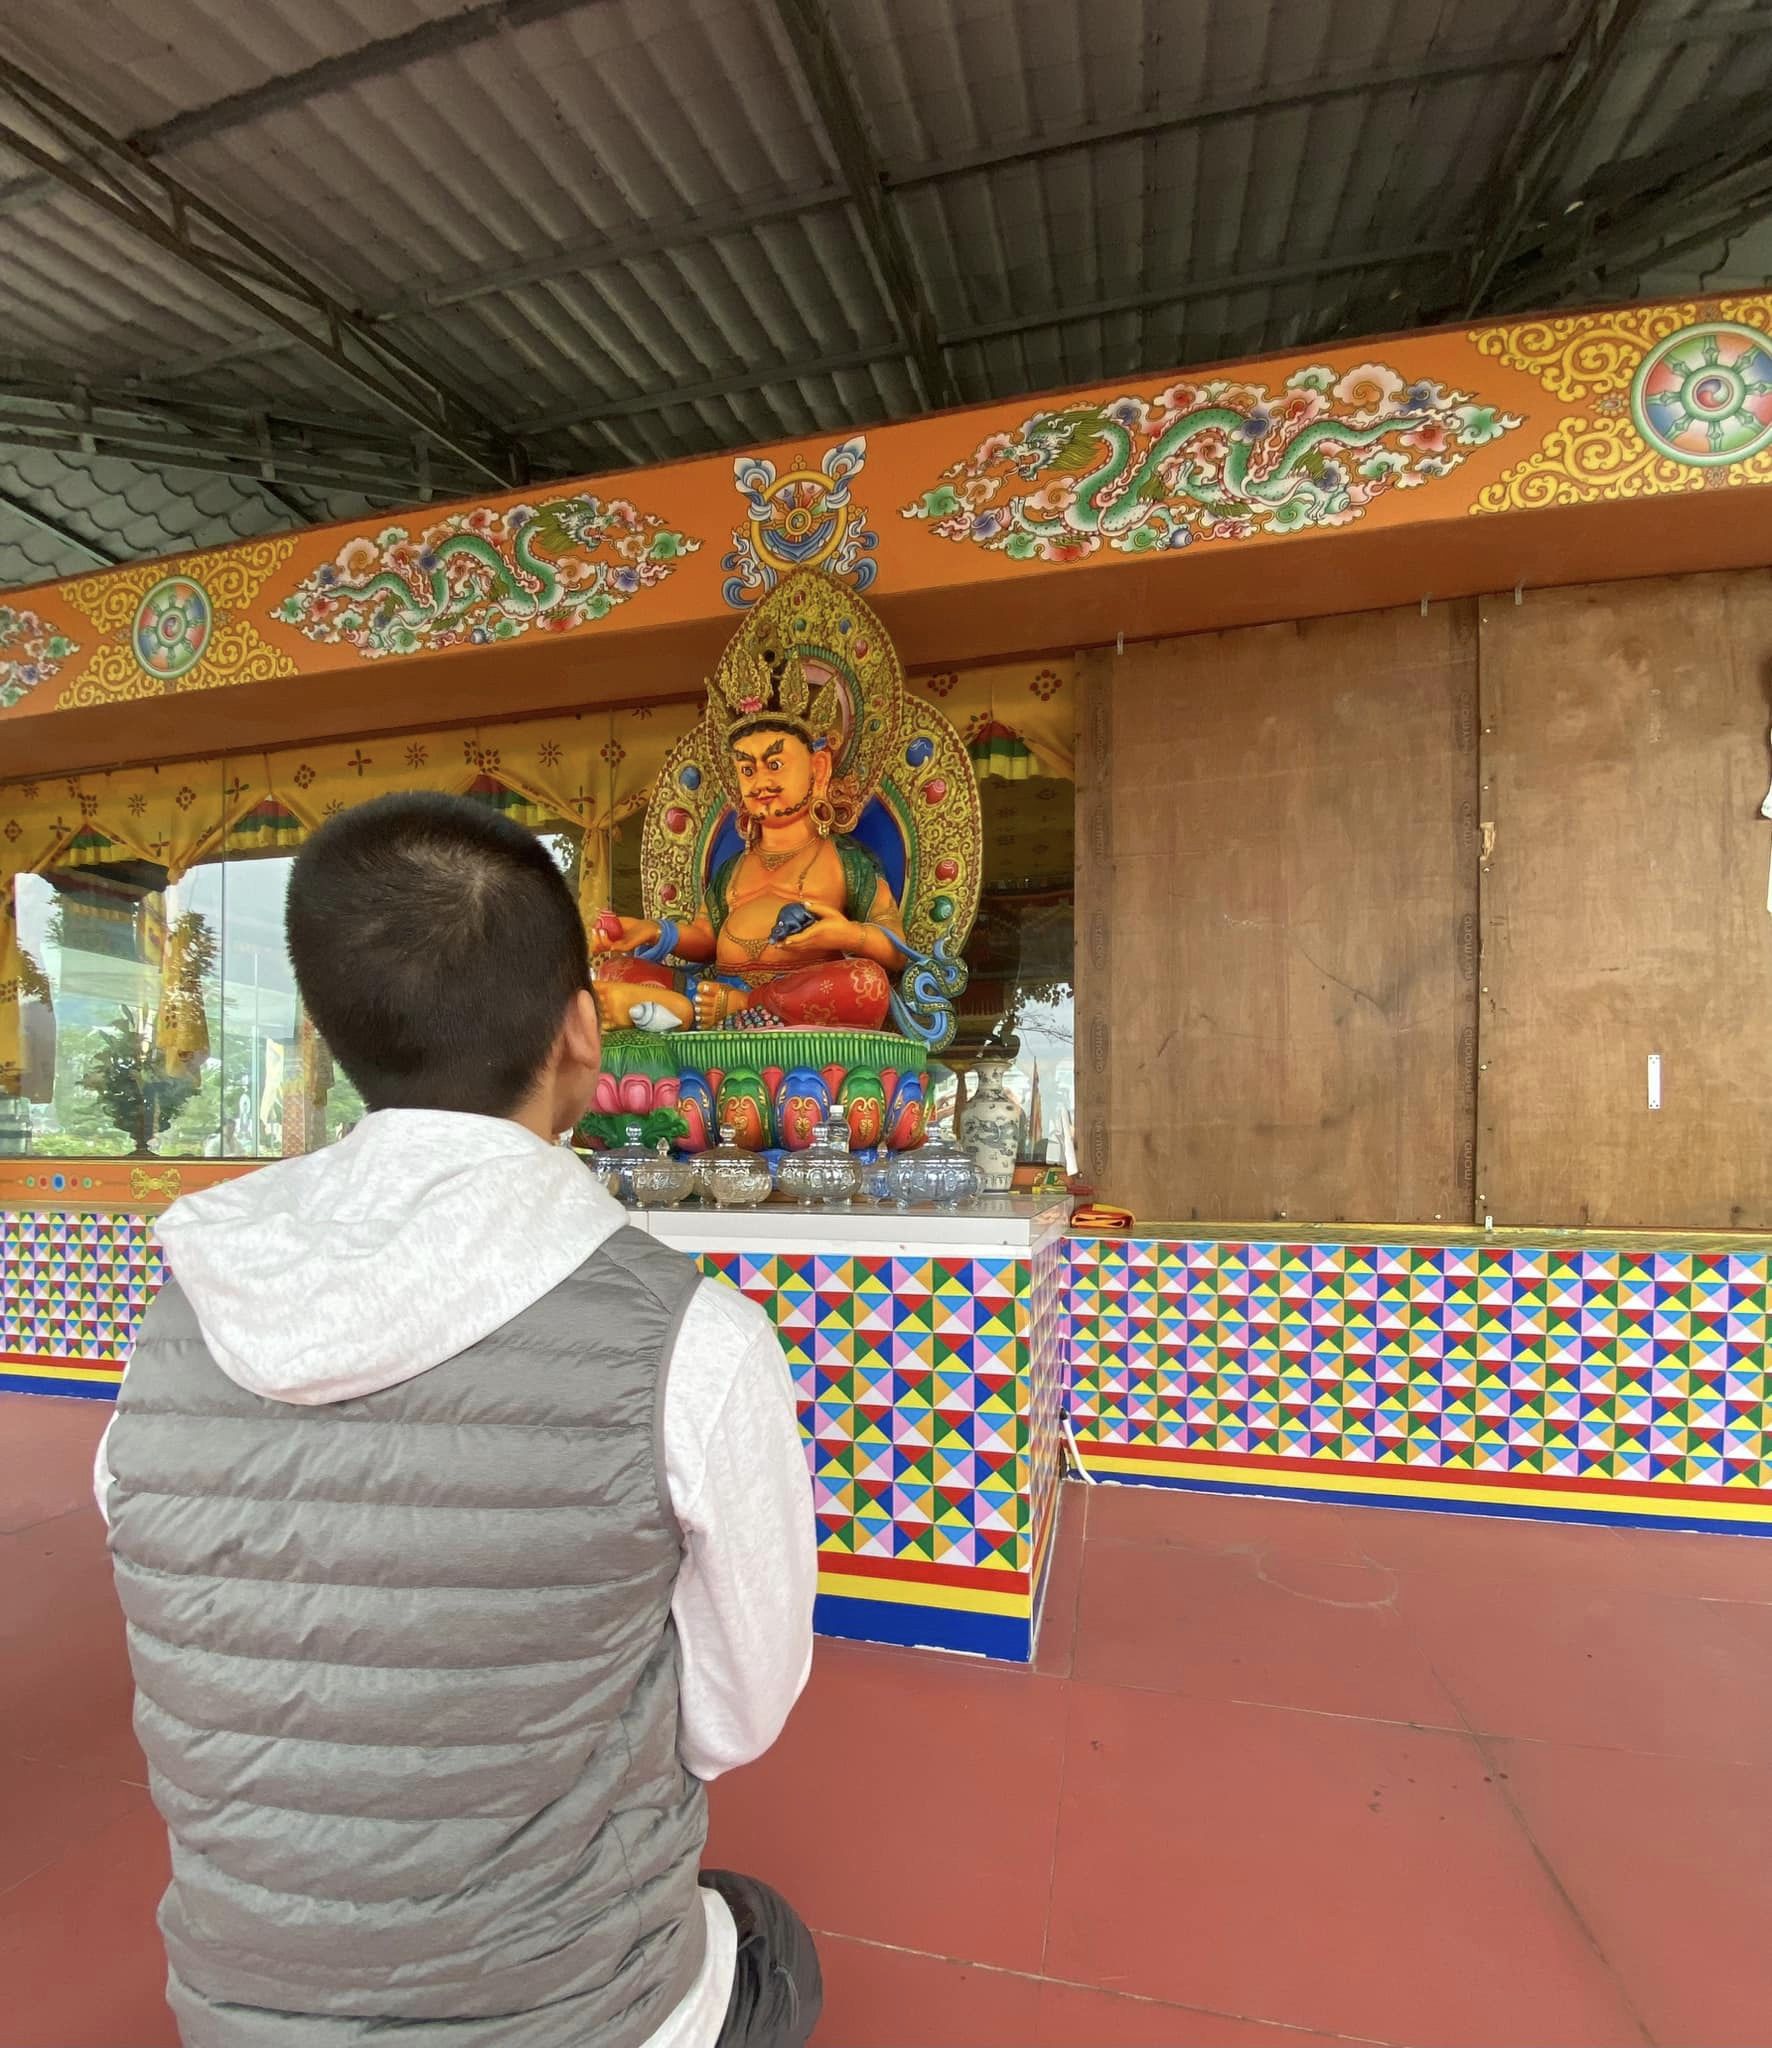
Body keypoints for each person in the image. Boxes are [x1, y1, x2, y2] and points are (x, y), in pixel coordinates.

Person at [93, 792, 822, 2048]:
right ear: (583, 1028)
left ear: (337, 1028)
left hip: (238, 2016)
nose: (763, 780)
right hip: (574, 2014)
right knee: (769, 1935)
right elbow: (733, 1718)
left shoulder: (175, 1324)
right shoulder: (691, 1340)